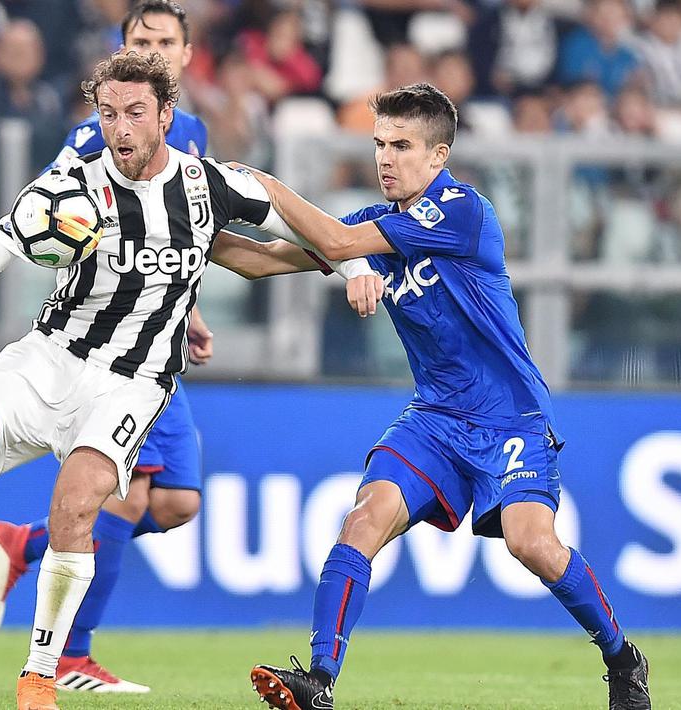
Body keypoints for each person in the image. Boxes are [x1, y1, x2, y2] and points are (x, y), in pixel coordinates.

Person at [0, 50, 375, 710]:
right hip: (51, 355)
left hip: (132, 382)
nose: (121, 129)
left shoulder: (210, 188)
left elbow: (315, 234)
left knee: (76, 507)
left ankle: (38, 676)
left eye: (136, 113)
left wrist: (351, 268)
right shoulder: (69, 190)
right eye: (108, 114)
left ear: (167, 115)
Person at [238, 83, 652, 710]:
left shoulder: (463, 211)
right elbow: (264, 262)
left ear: (438, 156)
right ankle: (317, 683)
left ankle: (623, 660)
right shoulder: (376, 222)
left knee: (531, 543)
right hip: (434, 419)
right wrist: (183, 231)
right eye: (379, 144)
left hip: (509, 417)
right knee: (363, 519)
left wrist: (265, 185)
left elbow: (340, 245)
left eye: (402, 146)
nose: (385, 159)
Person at [0, 1, 214, 694]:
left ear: (187, 56)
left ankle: (22, 544)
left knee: (176, 504)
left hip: (159, 336)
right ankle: (70, 655)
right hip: (109, 349)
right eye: (142, 40)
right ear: (122, 49)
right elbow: (50, 215)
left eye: (166, 41)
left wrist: (187, 306)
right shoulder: (91, 135)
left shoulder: (186, 131)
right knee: (129, 492)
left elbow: (171, 234)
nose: (156, 50)